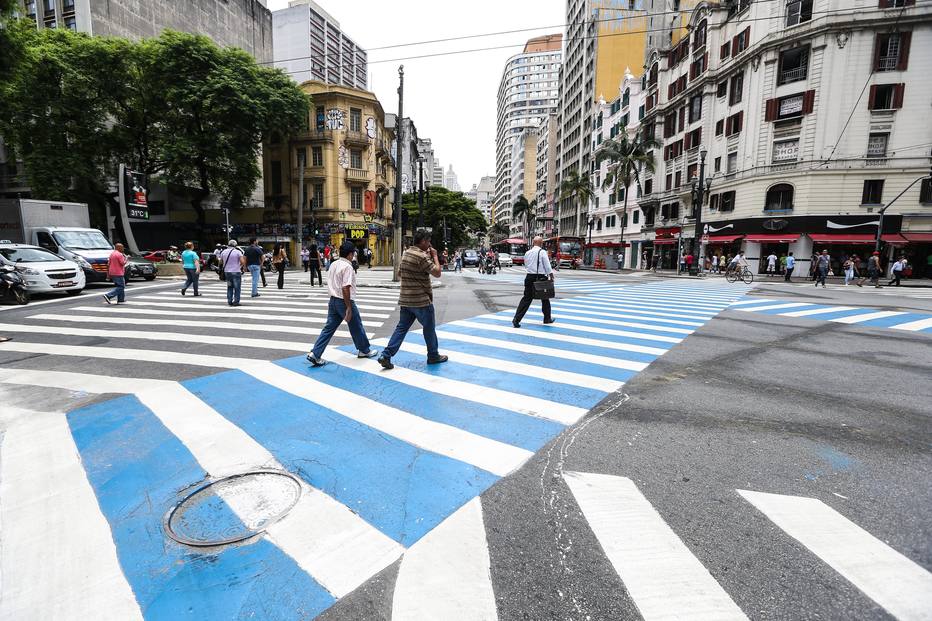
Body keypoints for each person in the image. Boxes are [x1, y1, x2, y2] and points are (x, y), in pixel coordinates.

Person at [378, 229, 446, 370]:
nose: (429, 245)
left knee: (401, 328)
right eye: (428, 242)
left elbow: (400, 273)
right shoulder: (422, 256)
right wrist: (434, 256)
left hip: (406, 300)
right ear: (422, 241)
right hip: (421, 301)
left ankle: (386, 355)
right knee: (429, 329)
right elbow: (438, 273)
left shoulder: (407, 253)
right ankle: (433, 355)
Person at [306, 242, 377, 366]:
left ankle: (315, 353)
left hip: (333, 300)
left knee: (328, 329)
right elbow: (345, 287)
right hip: (343, 300)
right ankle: (364, 350)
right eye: (353, 253)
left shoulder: (333, 264)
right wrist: (348, 306)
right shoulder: (347, 267)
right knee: (356, 325)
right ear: (350, 254)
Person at [512, 236, 555, 328]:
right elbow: (547, 266)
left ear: (533, 243)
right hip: (540, 277)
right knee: (545, 298)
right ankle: (547, 319)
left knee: (526, 299)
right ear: (541, 243)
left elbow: (526, 265)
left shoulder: (527, 253)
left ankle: (516, 319)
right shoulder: (542, 252)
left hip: (529, 277)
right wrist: (551, 276)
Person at [220, 240, 245, 306]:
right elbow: (242, 262)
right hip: (236, 272)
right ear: (235, 245)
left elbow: (220, 262)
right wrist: (239, 267)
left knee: (230, 286)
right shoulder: (238, 252)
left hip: (227, 272)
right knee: (237, 287)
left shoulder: (223, 252)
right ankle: (236, 301)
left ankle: (229, 301)